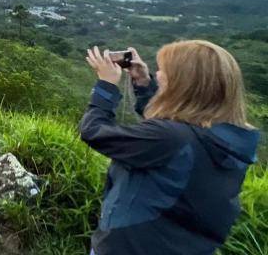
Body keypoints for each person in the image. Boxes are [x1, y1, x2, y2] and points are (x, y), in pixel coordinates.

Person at [80, 41, 260, 255]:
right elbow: (168, 128)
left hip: (129, 247)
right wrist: (144, 85)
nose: (158, 75)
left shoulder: (172, 137)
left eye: (163, 71)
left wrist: (106, 85)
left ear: (182, 84)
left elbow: (94, 131)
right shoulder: (228, 139)